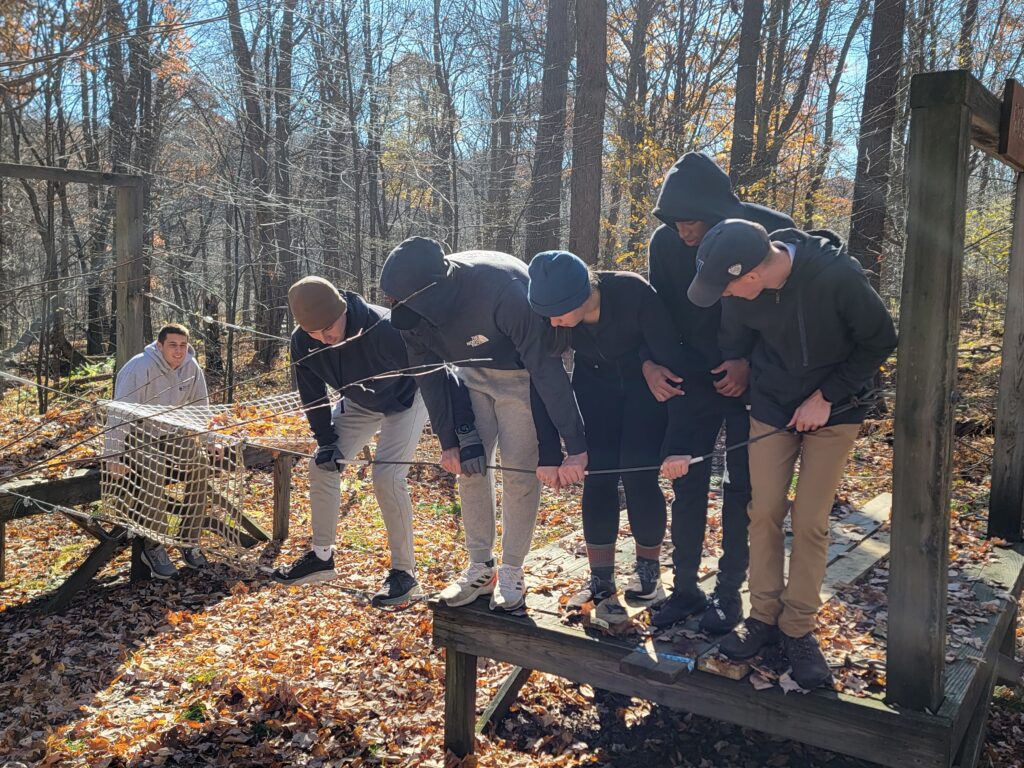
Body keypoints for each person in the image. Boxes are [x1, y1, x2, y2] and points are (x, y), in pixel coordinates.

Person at [674, 219, 896, 689]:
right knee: (764, 512)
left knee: (811, 520)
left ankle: (798, 630)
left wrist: (827, 397)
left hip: (835, 410)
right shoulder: (742, 295)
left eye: (730, 287)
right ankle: (762, 618)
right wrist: (736, 364)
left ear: (753, 274)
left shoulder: (836, 277)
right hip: (772, 408)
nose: (727, 297)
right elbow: (735, 337)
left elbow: (880, 339)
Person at [379, 238, 587, 612]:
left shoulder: (505, 291)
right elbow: (429, 375)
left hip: (522, 378)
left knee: (519, 472)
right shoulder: (409, 311)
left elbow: (546, 368)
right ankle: (480, 566)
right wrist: (450, 442)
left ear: (433, 292)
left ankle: (511, 570)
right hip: (470, 377)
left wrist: (574, 441)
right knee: (470, 469)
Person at [646, 151, 794, 634]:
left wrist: (749, 362)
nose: (685, 233)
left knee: (741, 490)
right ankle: (685, 588)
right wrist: (650, 363)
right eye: (676, 223)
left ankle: (728, 594)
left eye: (692, 222)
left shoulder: (767, 230)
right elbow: (659, 313)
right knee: (687, 483)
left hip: (753, 380)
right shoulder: (665, 244)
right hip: (691, 378)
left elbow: (790, 311)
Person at [272, 277, 483, 608]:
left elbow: (436, 375)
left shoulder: (386, 329)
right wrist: (326, 441)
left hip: (408, 398)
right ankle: (322, 556)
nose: (324, 338)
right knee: (321, 466)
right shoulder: (303, 343)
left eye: (329, 327)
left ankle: (404, 574)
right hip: (359, 402)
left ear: (343, 309)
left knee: (386, 477)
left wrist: (456, 437)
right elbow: (312, 395)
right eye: (315, 333)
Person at [526, 251, 691, 605]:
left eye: (558, 314)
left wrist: (678, 443)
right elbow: (543, 380)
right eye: (547, 315)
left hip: (644, 389)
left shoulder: (632, 293)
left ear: (582, 296)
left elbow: (674, 366)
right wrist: (550, 452)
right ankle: (600, 577)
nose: (552, 323)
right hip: (595, 387)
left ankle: (648, 571)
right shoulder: (550, 315)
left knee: (637, 473)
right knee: (598, 475)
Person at [104, 323, 211, 579]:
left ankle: (188, 540)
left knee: (201, 462)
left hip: (171, 433)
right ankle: (154, 544)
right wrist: (113, 456)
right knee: (154, 468)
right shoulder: (140, 367)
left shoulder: (191, 367)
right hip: (137, 433)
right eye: (173, 345)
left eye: (183, 345)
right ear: (160, 345)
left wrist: (209, 441)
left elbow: (200, 409)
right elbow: (119, 413)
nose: (178, 351)